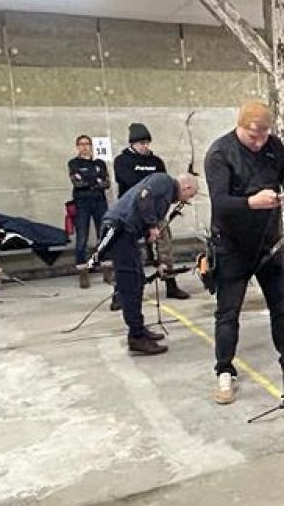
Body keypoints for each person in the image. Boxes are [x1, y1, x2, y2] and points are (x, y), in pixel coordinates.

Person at [203, 101, 284, 404]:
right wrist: (252, 202)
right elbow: (220, 203)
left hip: (269, 243)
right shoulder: (220, 153)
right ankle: (224, 371)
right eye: (251, 135)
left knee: (281, 306)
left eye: (263, 135)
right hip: (232, 247)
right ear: (239, 126)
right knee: (228, 312)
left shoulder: (274, 147)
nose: (257, 141)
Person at [94, 168, 199, 356]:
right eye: (189, 196)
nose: (185, 202)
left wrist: (156, 261)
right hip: (119, 230)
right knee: (131, 284)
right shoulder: (164, 181)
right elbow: (143, 198)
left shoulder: (165, 199)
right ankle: (135, 337)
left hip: (129, 234)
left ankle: (139, 329)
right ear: (186, 186)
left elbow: (152, 234)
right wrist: (151, 226)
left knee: (138, 281)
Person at [114, 122, 190, 301]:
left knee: (166, 248)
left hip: (156, 213)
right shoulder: (122, 161)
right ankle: (120, 293)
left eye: (147, 143)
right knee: (127, 253)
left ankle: (171, 284)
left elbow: (163, 183)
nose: (145, 147)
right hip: (131, 215)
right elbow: (133, 184)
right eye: (141, 143)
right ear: (132, 144)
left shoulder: (156, 162)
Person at [67, 134, 110, 283]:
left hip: (100, 202)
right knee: (82, 238)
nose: (84, 147)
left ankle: (107, 270)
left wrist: (88, 181)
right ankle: (82, 272)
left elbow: (106, 183)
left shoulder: (100, 163)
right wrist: (95, 181)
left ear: (91, 146)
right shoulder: (73, 163)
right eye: (81, 144)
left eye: (87, 144)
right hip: (82, 203)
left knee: (104, 235)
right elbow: (77, 183)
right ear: (77, 146)